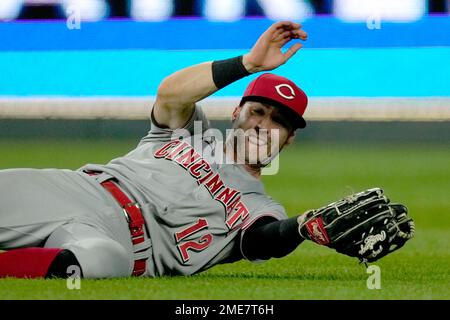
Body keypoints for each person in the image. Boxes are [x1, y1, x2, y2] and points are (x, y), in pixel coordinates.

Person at [0, 21, 310, 278]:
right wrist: (249, 64)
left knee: (101, 261)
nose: (262, 125)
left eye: (278, 122)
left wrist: (304, 226)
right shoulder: (192, 132)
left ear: (289, 138)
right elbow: (170, 95)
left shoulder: (260, 206)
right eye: (257, 111)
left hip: (117, 241)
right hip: (81, 190)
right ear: (235, 113)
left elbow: (266, 240)